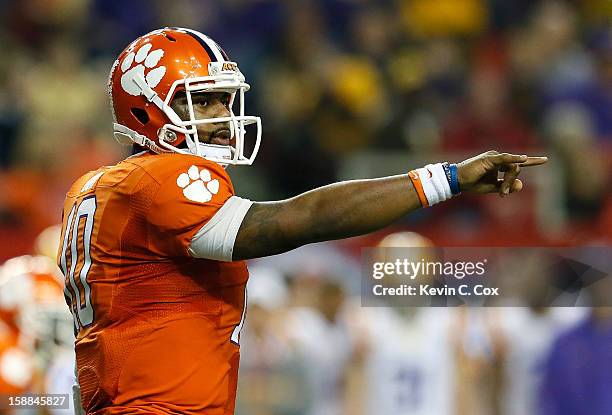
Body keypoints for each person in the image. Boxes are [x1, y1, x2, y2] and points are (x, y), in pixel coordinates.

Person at [57, 27, 547, 415]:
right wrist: (446, 179)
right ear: (145, 107)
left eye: (225, 100)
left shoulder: (93, 189)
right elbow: (299, 220)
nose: (222, 115)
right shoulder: (160, 178)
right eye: (202, 100)